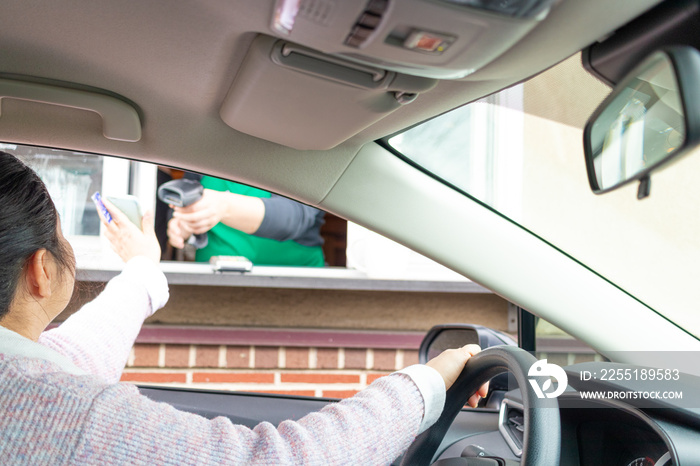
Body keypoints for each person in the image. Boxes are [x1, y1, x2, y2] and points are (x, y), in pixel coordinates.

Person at [0, 152, 487, 465]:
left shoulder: (26, 375)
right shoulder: (74, 416)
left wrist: (146, 267)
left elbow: (71, 356)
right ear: (41, 271)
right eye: (64, 234)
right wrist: (429, 380)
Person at [167, 175, 325, 266]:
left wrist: (224, 206)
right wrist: (183, 226)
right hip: (215, 280)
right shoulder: (201, 149)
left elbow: (294, 218)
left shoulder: (302, 143)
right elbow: (184, 200)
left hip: (297, 281)